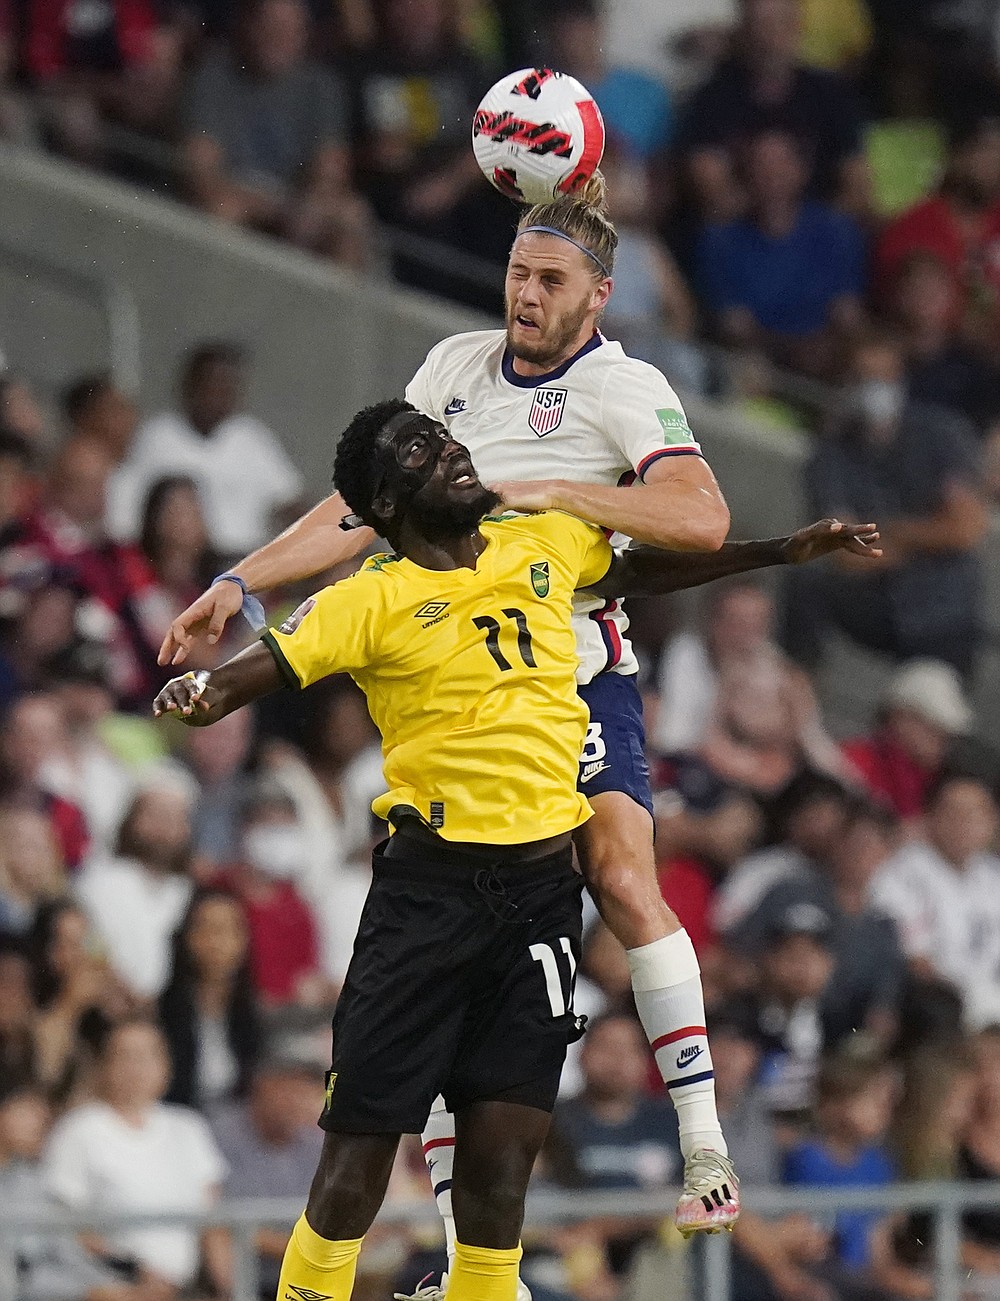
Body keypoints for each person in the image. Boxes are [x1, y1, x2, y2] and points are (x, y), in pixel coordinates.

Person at [155, 180, 877, 1249]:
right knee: (466, 953)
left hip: (573, 657)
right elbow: (359, 501)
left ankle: (704, 1140)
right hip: (449, 669)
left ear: (599, 294)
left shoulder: (621, 387)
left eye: (549, 279)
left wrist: (560, 491)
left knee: (624, 875)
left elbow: (695, 515)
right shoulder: (452, 367)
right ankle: (461, 1249)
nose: (524, 295)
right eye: (515, 273)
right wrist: (242, 580)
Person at [782, 329, 989, 678]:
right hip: (876, 599)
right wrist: (930, 537)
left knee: (951, 633)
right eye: (863, 377)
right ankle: (795, 692)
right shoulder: (831, 455)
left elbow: (965, 530)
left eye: (883, 376)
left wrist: (895, 534)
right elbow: (845, 553)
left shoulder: (940, 434)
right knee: (807, 583)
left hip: (944, 607)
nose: (874, 387)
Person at [42, 1016, 230, 1297]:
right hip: (108, 1288)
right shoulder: (79, 1130)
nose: (137, 1068)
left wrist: (232, 1290)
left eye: (148, 1056)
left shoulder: (189, 1128)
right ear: (104, 1065)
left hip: (183, 1289)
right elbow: (68, 1229)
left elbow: (212, 1224)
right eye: (125, 1056)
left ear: (166, 1065)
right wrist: (136, 1274)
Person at [181, 0, 370, 266]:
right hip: (237, 197)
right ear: (249, 27)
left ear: (303, 35)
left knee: (351, 216)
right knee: (222, 209)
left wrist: (309, 203)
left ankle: (332, 308)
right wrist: (273, 207)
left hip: (298, 205)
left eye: (286, 30)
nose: (276, 39)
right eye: (268, 28)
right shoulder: (214, 74)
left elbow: (330, 170)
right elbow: (201, 168)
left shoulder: (321, 88)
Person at [107, 341, 304, 557]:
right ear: (189, 386)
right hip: (182, 562)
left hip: (246, 560)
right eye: (212, 384)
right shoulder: (157, 436)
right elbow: (124, 508)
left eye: (227, 386)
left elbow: (290, 498)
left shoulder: (251, 437)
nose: (219, 394)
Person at [697, 130, 866, 377]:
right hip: (762, 357)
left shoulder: (836, 231)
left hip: (829, 353)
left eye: (782, 162)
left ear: (802, 169)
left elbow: (847, 314)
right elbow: (735, 326)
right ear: (745, 173)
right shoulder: (721, 241)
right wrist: (789, 351)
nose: (772, 173)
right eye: (761, 164)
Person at [870, 773, 1000, 1029]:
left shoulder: (992, 874)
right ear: (929, 816)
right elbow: (915, 962)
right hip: (936, 1010)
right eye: (954, 812)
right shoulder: (902, 870)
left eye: (975, 814)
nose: (964, 823)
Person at [158, 887, 262, 1110]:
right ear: (186, 937)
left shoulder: (257, 1015)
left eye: (227, 930)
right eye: (207, 929)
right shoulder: (160, 1012)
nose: (217, 942)